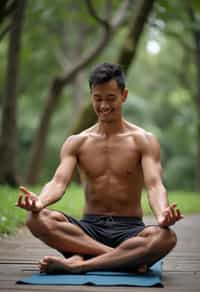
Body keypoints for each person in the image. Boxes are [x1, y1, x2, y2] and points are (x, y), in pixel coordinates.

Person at [16, 63, 183, 274]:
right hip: (88, 230)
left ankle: (81, 264)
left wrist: (161, 215)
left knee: (165, 237)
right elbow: (59, 182)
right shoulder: (77, 142)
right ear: (91, 96)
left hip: (129, 230)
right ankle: (123, 259)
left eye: (111, 98)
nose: (104, 105)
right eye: (98, 98)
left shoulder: (143, 141)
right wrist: (39, 202)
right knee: (36, 219)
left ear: (124, 95)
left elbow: (154, 185)